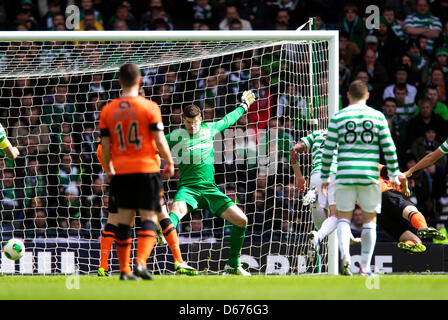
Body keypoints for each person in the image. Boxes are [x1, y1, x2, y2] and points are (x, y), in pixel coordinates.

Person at [100, 63, 181, 280]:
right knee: (149, 216)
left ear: (119, 82)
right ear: (140, 81)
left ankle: (124, 270)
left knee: (124, 220)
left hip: (121, 172)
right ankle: (140, 263)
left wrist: (109, 169)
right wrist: (170, 162)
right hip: (146, 170)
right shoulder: (150, 107)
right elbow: (159, 139)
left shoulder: (108, 110)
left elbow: (105, 146)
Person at [165, 90, 256, 276]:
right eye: (189, 122)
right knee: (174, 214)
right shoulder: (175, 136)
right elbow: (153, 143)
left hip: (209, 189)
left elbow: (228, 120)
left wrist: (244, 106)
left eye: (195, 122)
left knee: (241, 220)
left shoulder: (209, 128)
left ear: (201, 119)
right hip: (188, 189)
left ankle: (233, 264)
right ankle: (166, 243)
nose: (192, 126)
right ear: (183, 120)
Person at [320, 80, 400, 276]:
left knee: (343, 218)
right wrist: (395, 174)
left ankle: (345, 256)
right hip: (368, 176)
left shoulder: (338, 117)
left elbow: (328, 150)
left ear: (348, 95)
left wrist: (324, 177)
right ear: (367, 96)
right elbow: (389, 148)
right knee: (369, 221)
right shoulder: (378, 116)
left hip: (345, 174)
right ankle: (364, 267)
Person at [95, 143, 197, 277]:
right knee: (160, 216)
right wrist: (168, 162)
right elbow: (158, 144)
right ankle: (176, 261)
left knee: (116, 222)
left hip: (121, 179)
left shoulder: (108, 138)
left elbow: (105, 156)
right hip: (146, 175)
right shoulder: (145, 127)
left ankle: (108, 266)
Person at [290, 129, 360, 259]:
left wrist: (299, 177)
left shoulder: (317, 134)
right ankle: (318, 237)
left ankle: (315, 197)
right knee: (337, 217)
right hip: (336, 175)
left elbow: (293, 150)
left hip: (316, 175)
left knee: (322, 223)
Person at [378, 164, 446, 253]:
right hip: (385, 193)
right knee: (411, 210)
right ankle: (423, 227)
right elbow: (400, 176)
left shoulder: (354, 180)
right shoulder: (373, 165)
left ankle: (410, 243)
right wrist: (405, 188)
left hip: (374, 211)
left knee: (415, 240)